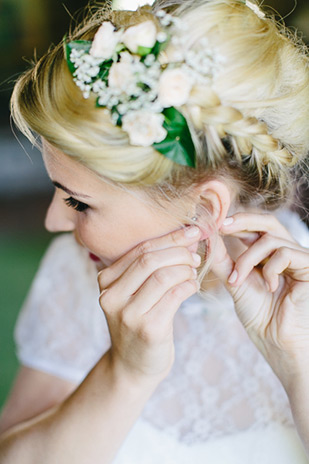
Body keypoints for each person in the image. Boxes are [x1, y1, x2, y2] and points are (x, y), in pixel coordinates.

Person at [1, 0, 309, 462]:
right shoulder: (74, 271)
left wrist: (298, 366)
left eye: (78, 202)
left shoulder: (298, 301)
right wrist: (125, 373)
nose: (52, 222)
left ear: (203, 211)